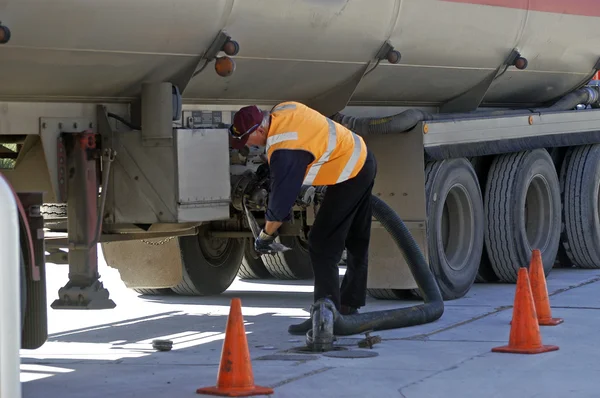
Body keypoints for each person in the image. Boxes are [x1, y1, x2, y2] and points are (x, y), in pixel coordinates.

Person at [229, 101, 377, 335]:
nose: (247, 146)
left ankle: (325, 313)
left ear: (259, 130)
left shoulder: (284, 148)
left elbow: (280, 204)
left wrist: (265, 236)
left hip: (351, 172)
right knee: (356, 237)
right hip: (360, 156)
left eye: (247, 140)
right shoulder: (282, 110)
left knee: (321, 242)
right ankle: (348, 306)